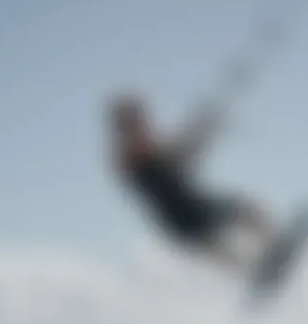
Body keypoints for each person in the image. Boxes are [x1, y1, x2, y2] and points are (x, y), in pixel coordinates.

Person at [107, 91, 279, 278]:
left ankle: (255, 270)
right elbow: (175, 154)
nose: (148, 123)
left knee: (223, 247)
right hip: (190, 212)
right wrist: (205, 126)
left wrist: (208, 127)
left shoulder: (136, 154)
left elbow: (184, 158)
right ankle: (265, 258)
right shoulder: (133, 153)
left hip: (178, 221)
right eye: (141, 120)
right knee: (248, 213)